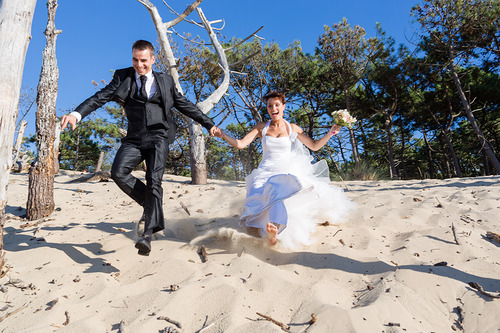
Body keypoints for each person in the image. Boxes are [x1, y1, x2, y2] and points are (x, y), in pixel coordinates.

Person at [61, 40, 219, 256]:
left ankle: (146, 236)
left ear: (153, 59)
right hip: (135, 137)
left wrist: (209, 124)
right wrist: (76, 114)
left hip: (159, 136)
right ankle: (152, 206)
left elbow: (184, 105)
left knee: (155, 180)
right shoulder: (122, 76)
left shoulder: (165, 80)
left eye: (143, 60)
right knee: (118, 172)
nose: (139, 64)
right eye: (135, 59)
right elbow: (100, 97)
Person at [213, 91, 353, 247]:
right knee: (257, 197)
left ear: (283, 106)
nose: (273, 108)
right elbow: (240, 144)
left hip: (285, 170)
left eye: (277, 105)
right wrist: (223, 135)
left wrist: (331, 132)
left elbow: (314, 146)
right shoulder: (261, 128)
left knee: (276, 189)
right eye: (269, 106)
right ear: (267, 108)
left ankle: (274, 230)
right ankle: (265, 231)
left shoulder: (292, 128)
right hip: (265, 171)